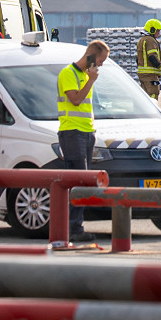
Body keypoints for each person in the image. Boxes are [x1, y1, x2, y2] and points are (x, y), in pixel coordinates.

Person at [57, 39, 110, 243]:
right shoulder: (68, 74)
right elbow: (76, 100)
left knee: (84, 182)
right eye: (101, 60)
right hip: (72, 133)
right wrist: (91, 81)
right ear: (92, 57)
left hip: (86, 132)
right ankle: (73, 228)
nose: (101, 65)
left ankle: (75, 226)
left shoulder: (84, 75)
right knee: (77, 182)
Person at [136, 18, 161, 99]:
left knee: (144, 97)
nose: (159, 33)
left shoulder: (141, 40)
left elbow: (137, 59)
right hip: (150, 75)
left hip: (142, 75)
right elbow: (152, 57)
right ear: (152, 29)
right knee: (153, 95)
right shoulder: (150, 40)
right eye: (157, 30)